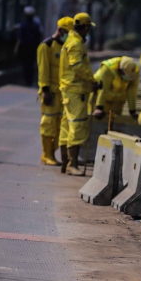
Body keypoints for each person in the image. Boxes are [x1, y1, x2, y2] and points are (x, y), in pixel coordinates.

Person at [59, 12, 98, 176]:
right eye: (88, 28)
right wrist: (92, 80)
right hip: (76, 90)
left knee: (67, 125)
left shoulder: (70, 40)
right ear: (86, 27)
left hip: (70, 89)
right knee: (77, 125)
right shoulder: (76, 44)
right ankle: (72, 164)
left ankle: (65, 162)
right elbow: (78, 67)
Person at [37, 16, 73, 166]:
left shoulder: (65, 47)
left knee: (60, 126)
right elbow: (43, 70)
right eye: (67, 33)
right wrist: (45, 90)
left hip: (62, 93)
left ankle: (53, 152)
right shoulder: (46, 46)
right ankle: (47, 154)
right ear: (60, 30)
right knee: (49, 123)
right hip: (50, 92)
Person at [92, 56, 140, 121]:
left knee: (115, 122)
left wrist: (132, 110)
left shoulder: (135, 70)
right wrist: (99, 108)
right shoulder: (109, 68)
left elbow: (132, 89)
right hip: (100, 97)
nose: (128, 79)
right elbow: (103, 89)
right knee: (97, 121)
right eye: (127, 76)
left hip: (118, 101)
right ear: (121, 70)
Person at [16, 6, 43, 86]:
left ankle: (26, 79)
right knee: (31, 64)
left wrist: (16, 48)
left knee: (25, 64)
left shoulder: (23, 24)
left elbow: (20, 37)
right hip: (33, 47)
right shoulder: (36, 25)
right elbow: (39, 36)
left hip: (25, 47)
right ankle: (30, 80)